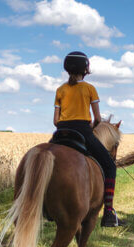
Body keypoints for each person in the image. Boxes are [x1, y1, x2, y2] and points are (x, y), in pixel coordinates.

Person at [54, 51, 124, 227]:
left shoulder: (60, 89)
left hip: (60, 133)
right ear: (85, 70)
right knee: (109, 165)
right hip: (83, 132)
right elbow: (98, 119)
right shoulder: (90, 89)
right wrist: (92, 127)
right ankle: (108, 212)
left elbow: (55, 121)